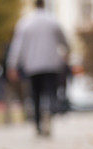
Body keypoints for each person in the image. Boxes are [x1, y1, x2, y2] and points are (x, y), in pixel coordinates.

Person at [7, 0, 69, 136]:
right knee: (50, 92)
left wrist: (12, 65)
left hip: (32, 65)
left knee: (35, 95)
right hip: (52, 64)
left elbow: (17, 46)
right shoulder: (53, 20)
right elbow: (64, 40)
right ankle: (49, 114)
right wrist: (67, 53)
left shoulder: (25, 22)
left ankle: (38, 124)